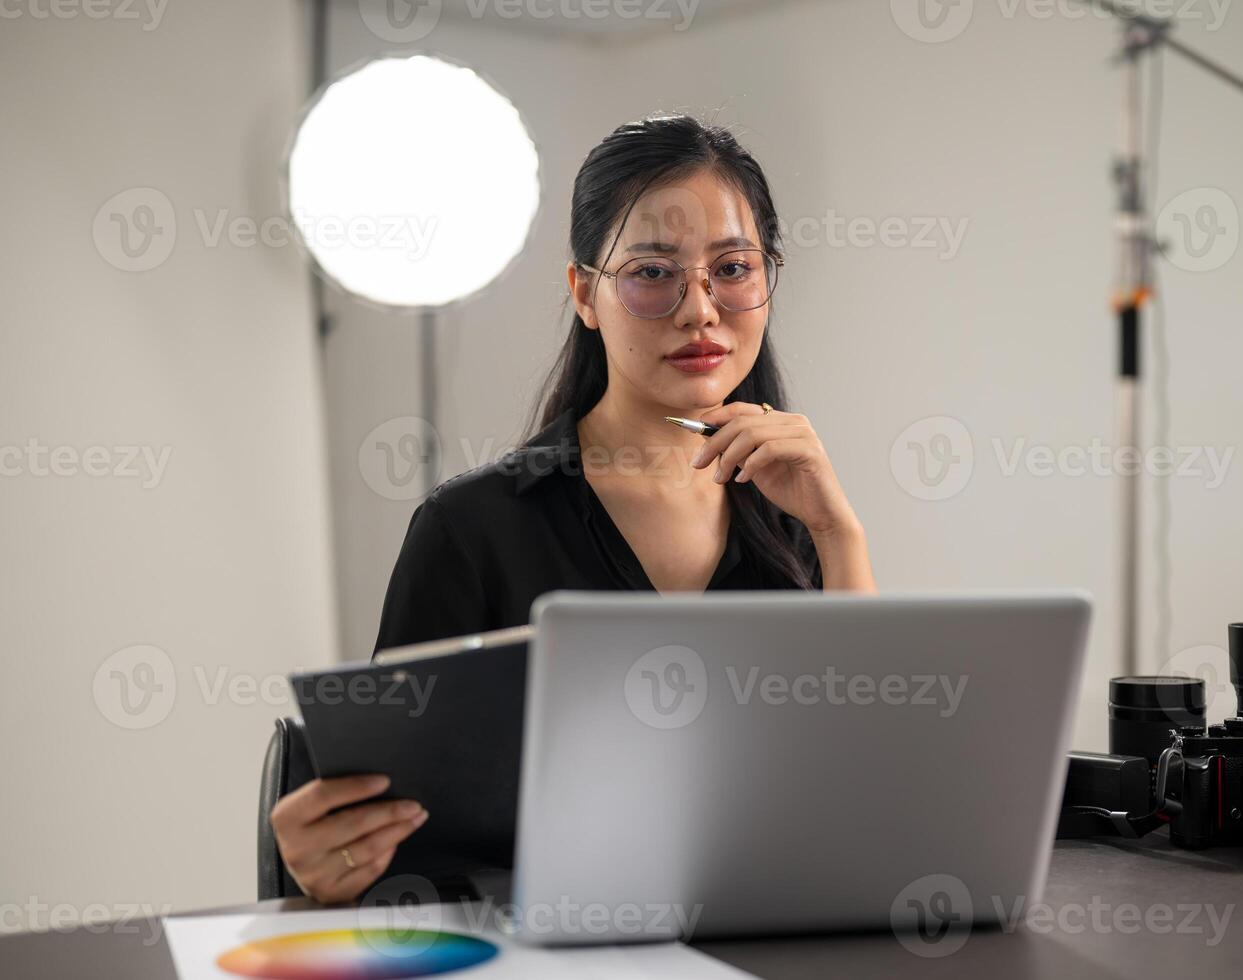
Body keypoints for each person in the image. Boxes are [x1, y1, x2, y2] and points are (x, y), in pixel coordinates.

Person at [270, 113, 877, 903]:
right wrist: (325, 860)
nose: (699, 310)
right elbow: (385, 825)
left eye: (733, 267)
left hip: (767, 934)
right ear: (585, 295)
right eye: (653, 273)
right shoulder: (470, 529)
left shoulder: (789, 509)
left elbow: (869, 786)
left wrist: (838, 531)